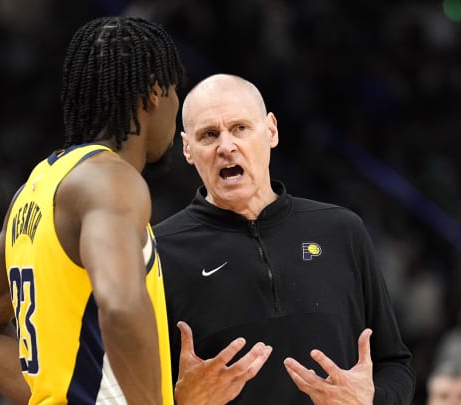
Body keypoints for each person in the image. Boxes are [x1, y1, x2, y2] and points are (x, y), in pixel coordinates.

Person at [0, 16, 190, 405]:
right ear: (155, 92)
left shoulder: (36, 189)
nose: (178, 107)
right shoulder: (113, 182)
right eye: (177, 91)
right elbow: (121, 305)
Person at [154, 73, 415, 404]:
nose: (226, 146)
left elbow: (396, 364)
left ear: (271, 130)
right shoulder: (159, 252)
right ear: (188, 149)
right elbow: (125, 390)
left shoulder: (342, 230)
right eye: (209, 135)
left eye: (240, 128)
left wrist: (370, 400)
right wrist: (180, 401)